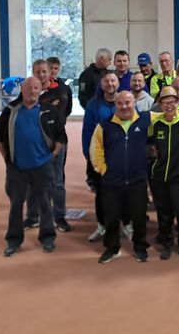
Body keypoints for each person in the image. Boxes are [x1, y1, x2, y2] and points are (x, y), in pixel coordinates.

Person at [0, 77, 63, 257]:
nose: (32, 91)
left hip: (43, 166)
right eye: (28, 88)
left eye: (35, 88)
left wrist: (52, 156)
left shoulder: (49, 111)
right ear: (22, 90)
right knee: (16, 205)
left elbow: (60, 136)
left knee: (45, 204)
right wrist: (7, 159)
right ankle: (13, 240)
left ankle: (47, 238)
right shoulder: (10, 111)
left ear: (40, 90)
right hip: (17, 167)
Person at [90, 91, 151, 263]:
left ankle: (140, 247)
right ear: (115, 105)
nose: (124, 106)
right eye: (120, 103)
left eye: (127, 102)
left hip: (137, 180)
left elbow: (168, 114)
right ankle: (112, 248)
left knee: (139, 217)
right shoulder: (104, 126)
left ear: (134, 103)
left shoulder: (146, 120)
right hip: (112, 181)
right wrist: (103, 169)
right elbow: (95, 149)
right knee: (111, 217)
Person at [24, 57, 73, 232]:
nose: (42, 75)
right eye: (38, 72)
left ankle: (59, 217)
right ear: (33, 73)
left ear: (50, 71)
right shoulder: (28, 91)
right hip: (34, 144)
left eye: (44, 71)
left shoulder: (63, 90)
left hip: (57, 141)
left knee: (57, 181)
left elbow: (65, 112)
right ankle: (32, 217)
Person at [148, 86, 179, 260]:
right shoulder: (154, 122)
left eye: (172, 102)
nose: (168, 106)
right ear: (160, 104)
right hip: (158, 176)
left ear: (178, 102)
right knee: (164, 213)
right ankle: (167, 243)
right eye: (165, 102)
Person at [81, 70, 119, 243]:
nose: (110, 84)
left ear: (118, 83)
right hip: (100, 157)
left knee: (123, 192)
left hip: (121, 156)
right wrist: (88, 155)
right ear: (101, 84)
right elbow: (87, 131)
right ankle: (102, 225)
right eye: (107, 81)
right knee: (102, 193)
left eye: (113, 81)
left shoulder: (124, 101)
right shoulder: (93, 104)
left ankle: (125, 224)